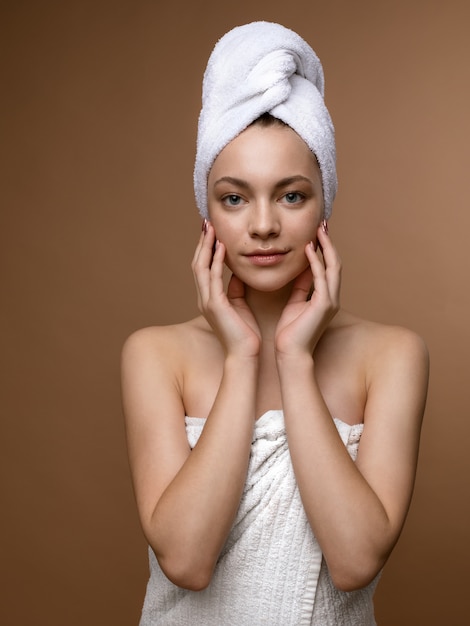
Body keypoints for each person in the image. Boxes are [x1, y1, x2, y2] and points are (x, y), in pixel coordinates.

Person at [121, 21, 429, 625]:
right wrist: (240, 358)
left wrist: (295, 357)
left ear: (324, 204)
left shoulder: (392, 356)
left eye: (291, 195)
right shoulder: (156, 355)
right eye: (234, 198)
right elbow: (186, 560)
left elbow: (355, 559)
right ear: (206, 212)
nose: (263, 225)